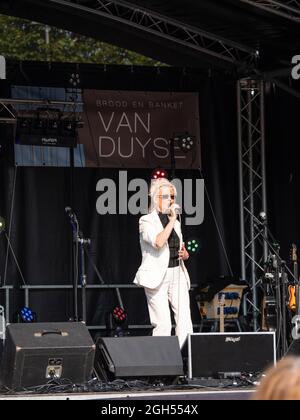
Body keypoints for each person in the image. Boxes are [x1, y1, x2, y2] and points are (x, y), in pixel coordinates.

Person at [133, 177, 193, 348]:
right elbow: (159, 243)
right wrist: (172, 221)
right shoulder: (146, 221)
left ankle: (185, 360)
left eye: (173, 196)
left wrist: (184, 254)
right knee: (163, 323)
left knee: (184, 320)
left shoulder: (176, 223)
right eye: (167, 196)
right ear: (156, 198)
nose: (171, 200)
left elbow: (176, 246)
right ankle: (164, 363)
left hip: (177, 273)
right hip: (157, 276)